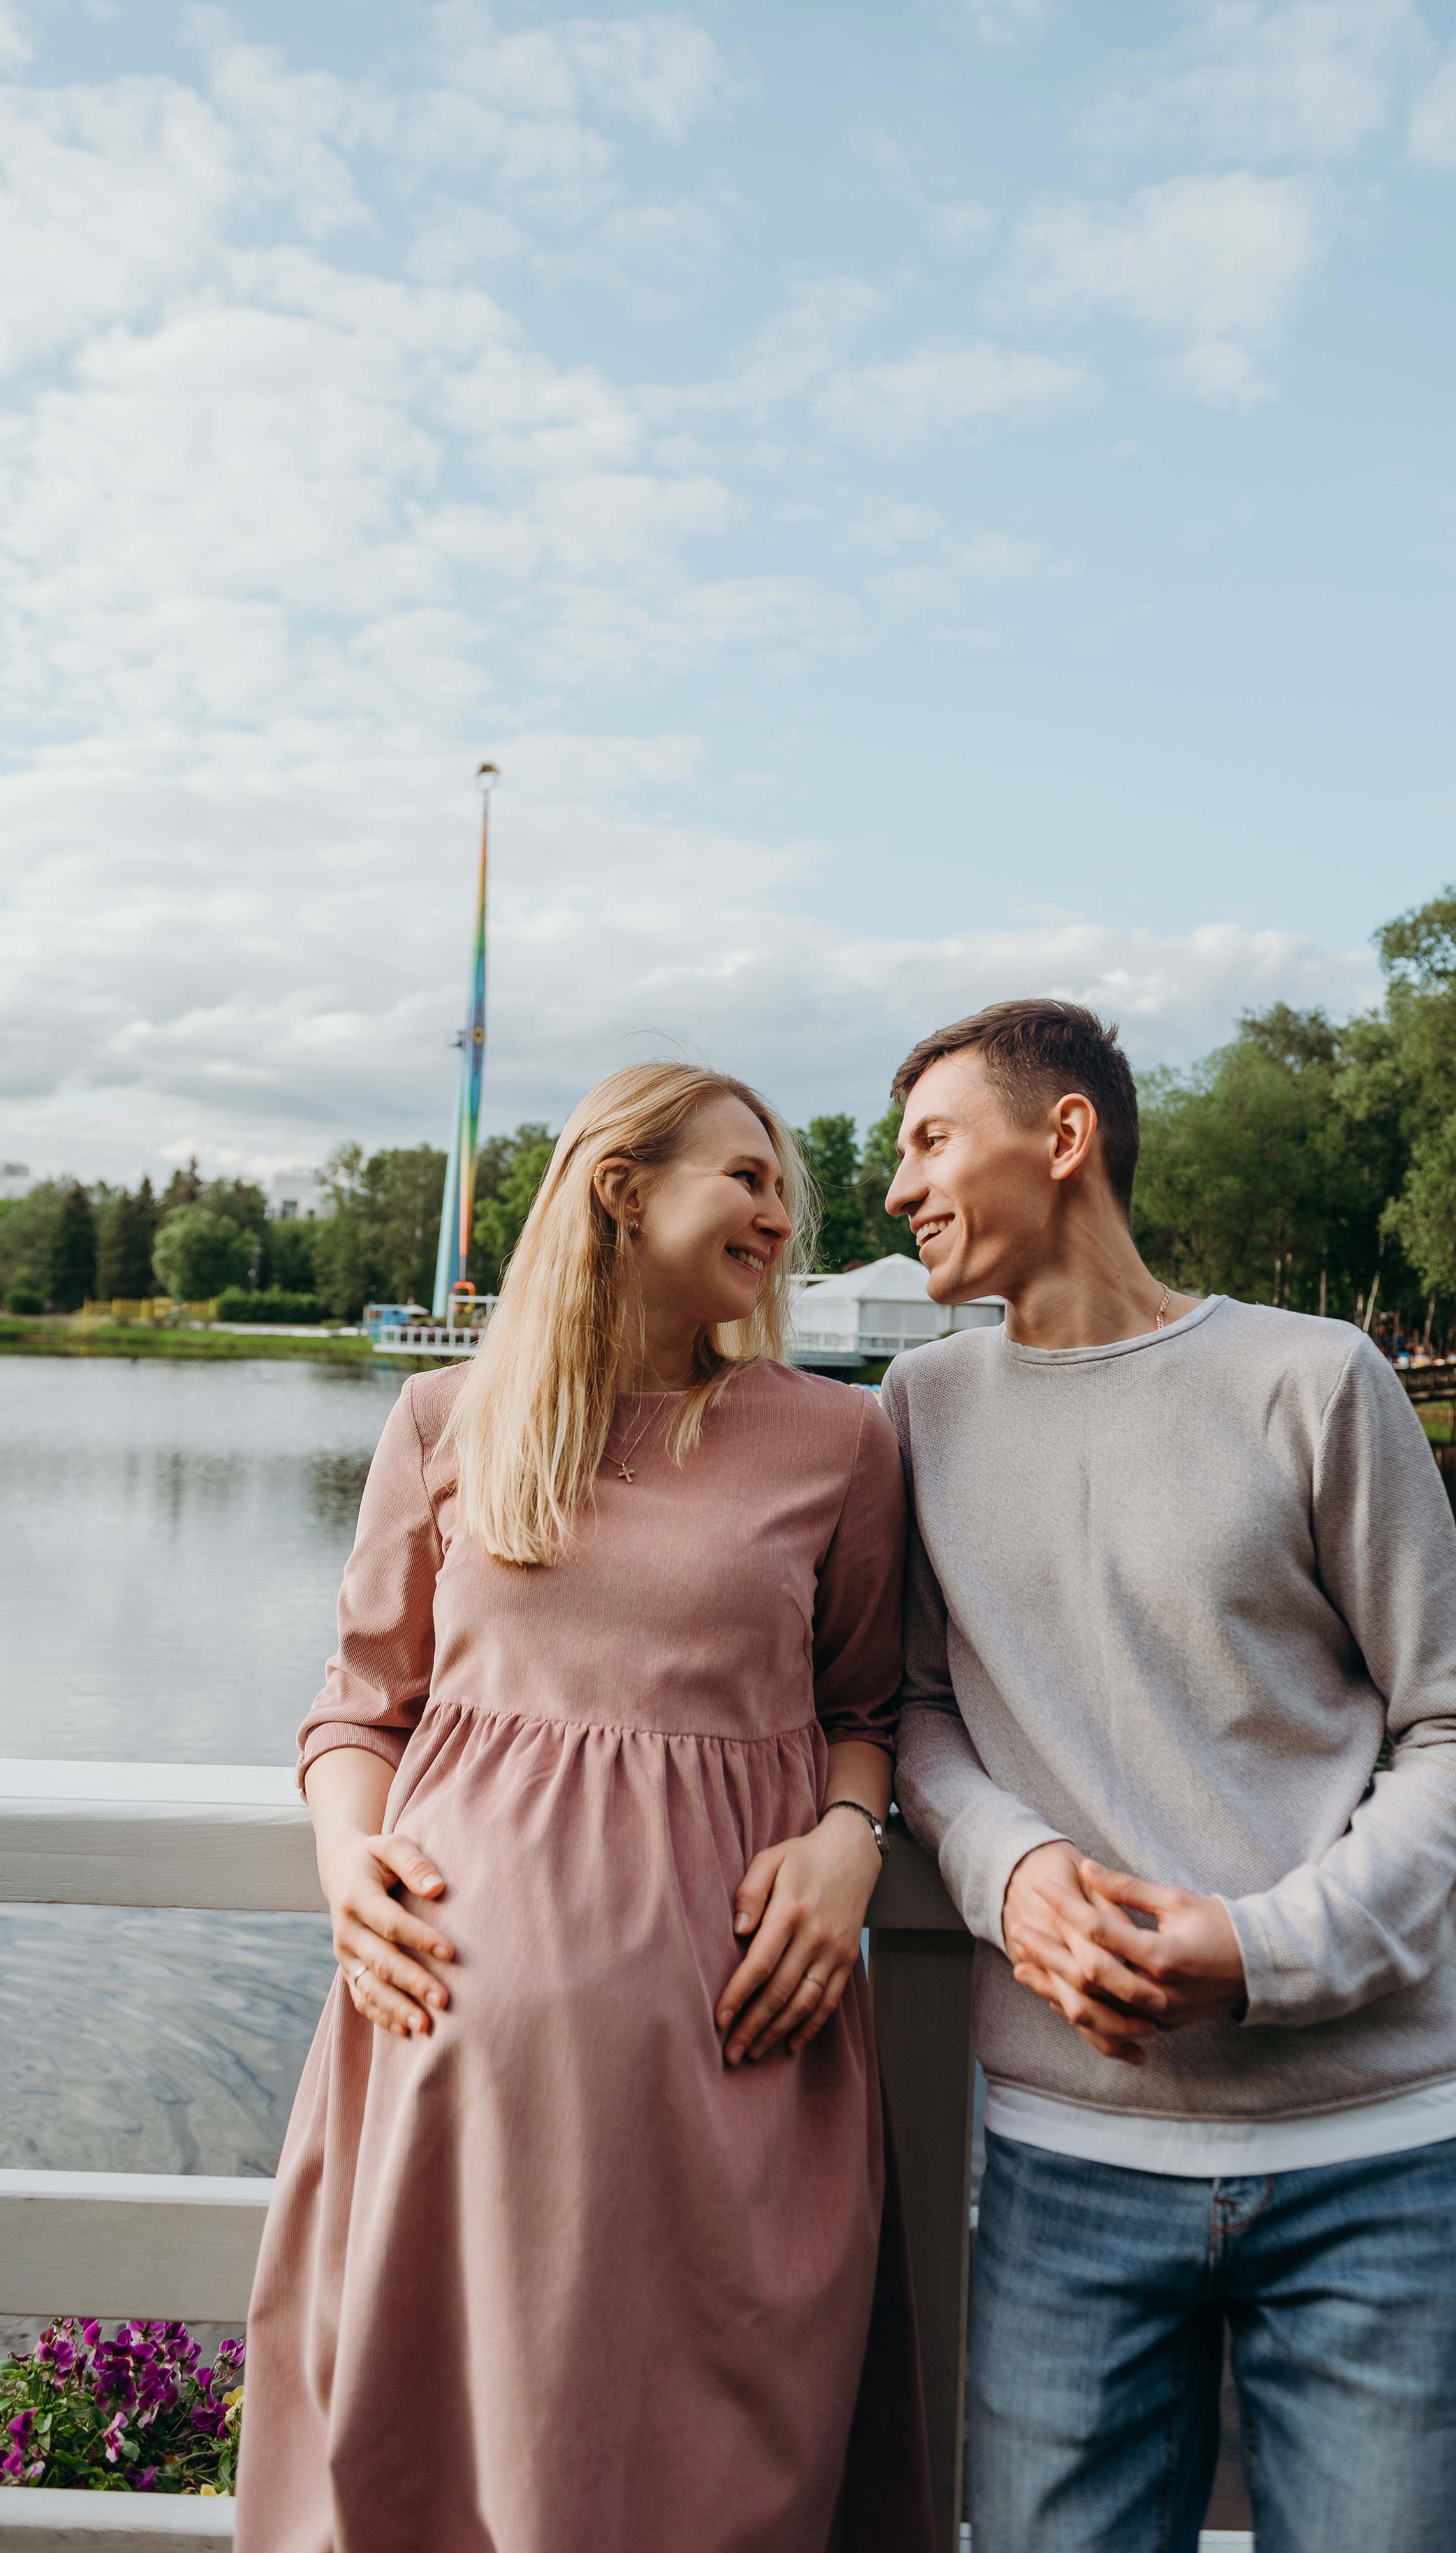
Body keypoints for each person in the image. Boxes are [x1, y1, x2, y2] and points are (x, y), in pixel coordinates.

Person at [236, 1062, 930, 2553]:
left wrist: (843, 1839)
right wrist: (349, 1868)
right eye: (742, 1177)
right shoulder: (442, 1422)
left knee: (715, 2473)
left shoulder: (836, 1441)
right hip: (450, 2056)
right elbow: (361, 1707)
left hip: (727, 2055)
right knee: (436, 2472)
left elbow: (866, 1710)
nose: (776, 1215)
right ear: (620, 1187)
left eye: (780, 1191)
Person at [879, 999, 1456, 2553]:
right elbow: (910, 1711)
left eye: (927, 1142)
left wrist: (1260, 1955)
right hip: (1066, 2169)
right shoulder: (916, 1412)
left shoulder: (1313, 1378)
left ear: (1063, 1137)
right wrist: (1012, 1873)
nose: (896, 1189)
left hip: (1380, 2162)